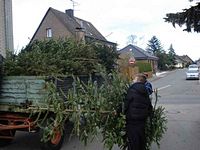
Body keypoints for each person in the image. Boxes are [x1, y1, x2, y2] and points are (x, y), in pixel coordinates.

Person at [124, 74, 153, 150]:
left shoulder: (132, 89)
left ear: (138, 80)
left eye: (134, 79)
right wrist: (150, 115)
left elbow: (126, 103)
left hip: (132, 120)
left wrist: (119, 113)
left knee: (133, 141)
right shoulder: (145, 90)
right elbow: (149, 105)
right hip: (142, 120)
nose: (133, 80)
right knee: (141, 138)